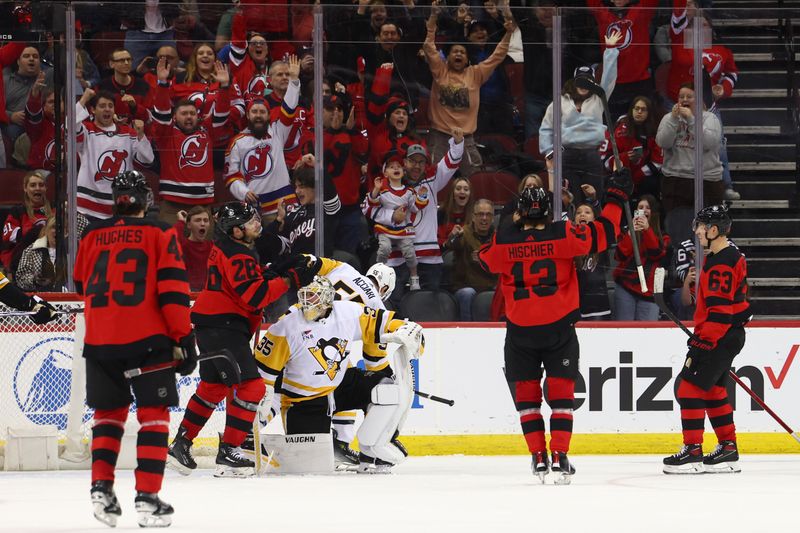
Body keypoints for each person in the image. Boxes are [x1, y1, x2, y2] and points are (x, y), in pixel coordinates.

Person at [477, 168, 631, 484]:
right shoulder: (564, 234)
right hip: (559, 328)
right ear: (549, 211)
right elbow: (605, 232)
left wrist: (512, 225)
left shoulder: (503, 241)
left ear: (520, 211)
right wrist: (615, 196)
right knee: (561, 397)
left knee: (527, 400)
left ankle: (537, 457)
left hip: (520, 331)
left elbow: (484, 259)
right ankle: (559, 455)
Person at [72, 170, 195, 528]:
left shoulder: (92, 233)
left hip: (100, 339)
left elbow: (81, 284)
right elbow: (172, 289)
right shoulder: (159, 232)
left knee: (107, 416)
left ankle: (101, 490)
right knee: (153, 416)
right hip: (149, 340)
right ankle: (147, 497)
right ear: (146, 200)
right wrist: (183, 337)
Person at [167, 201, 319, 478]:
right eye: (250, 221)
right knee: (251, 388)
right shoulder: (239, 254)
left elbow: (239, 284)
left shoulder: (229, 248)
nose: (257, 223)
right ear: (236, 231)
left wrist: (269, 274)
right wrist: (288, 280)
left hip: (210, 323)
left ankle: (181, 444)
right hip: (224, 326)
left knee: (212, 387)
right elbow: (255, 296)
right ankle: (230, 450)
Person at [253, 275, 424, 473]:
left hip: (340, 385)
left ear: (327, 299)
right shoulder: (285, 327)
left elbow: (382, 321)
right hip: (304, 400)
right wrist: (264, 392)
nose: (307, 302)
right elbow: (263, 371)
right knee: (311, 468)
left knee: (386, 388)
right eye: (305, 296)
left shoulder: (348, 312)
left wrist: (406, 328)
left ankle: (372, 453)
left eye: (313, 296)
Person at [663, 204, 750, 475]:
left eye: (701, 226)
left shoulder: (721, 262)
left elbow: (721, 311)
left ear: (713, 230)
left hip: (719, 335)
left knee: (689, 388)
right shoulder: (729, 255)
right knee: (713, 390)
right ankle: (728, 448)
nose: (697, 231)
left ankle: (693, 451)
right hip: (728, 335)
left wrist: (704, 342)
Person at [364, 133, 464, 304]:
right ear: (404, 164)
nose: (417, 166)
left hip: (429, 258)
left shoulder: (432, 181)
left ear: (426, 165)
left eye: (421, 162)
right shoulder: (386, 186)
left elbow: (451, 163)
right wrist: (391, 216)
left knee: (428, 308)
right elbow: (367, 208)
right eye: (412, 161)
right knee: (395, 307)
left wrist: (458, 142)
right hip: (397, 258)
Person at [423, 5, 514, 176]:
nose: (458, 54)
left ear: (467, 58)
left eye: (462, 52)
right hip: (440, 137)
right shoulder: (439, 71)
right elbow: (428, 46)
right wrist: (433, 18)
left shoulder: (476, 73)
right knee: (432, 178)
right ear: (448, 56)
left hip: (467, 138)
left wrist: (508, 33)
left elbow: (498, 56)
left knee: (474, 179)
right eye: (454, 52)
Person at [540, 30, 622, 205]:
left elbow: (609, 78)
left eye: (588, 81)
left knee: (593, 199)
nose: (584, 85)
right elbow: (546, 127)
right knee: (569, 200)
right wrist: (549, 151)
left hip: (591, 156)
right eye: (580, 81)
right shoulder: (560, 101)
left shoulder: (599, 99)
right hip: (567, 155)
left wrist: (611, 50)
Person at [150, 56, 232, 223]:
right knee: (171, 248)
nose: (189, 117)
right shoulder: (167, 133)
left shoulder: (207, 131)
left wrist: (224, 87)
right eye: (184, 114)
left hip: (203, 206)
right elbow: (161, 113)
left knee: (203, 248)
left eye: (192, 114)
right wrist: (163, 83)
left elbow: (221, 113)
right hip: (172, 205)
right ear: (174, 117)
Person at [224, 55, 301, 219]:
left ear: (268, 116)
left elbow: (289, 109)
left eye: (262, 112)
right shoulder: (237, 142)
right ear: (248, 115)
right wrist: (243, 192)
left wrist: (294, 81)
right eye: (254, 112)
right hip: (254, 211)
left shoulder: (277, 132)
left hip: (284, 205)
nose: (258, 116)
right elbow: (231, 175)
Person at [656, 82, 723, 243]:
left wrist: (691, 120)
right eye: (681, 97)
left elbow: (709, 142)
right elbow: (662, 142)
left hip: (706, 180)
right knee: (678, 230)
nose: (684, 99)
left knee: (708, 231)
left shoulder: (710, 118)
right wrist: (673, 119)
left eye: (689, 96)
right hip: (676, 179)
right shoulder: (668, 118)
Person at [75, 90, 154, 220]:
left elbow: (147, 160)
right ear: (93, 110)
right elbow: (70, 127)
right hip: (88, 207)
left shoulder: (128, 132)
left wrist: (140, 135)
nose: (107, 109)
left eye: (110, 106)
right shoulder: (87, 131)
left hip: (121, 205)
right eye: (102, 106)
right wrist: (83, 99)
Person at [365, 153, 429, 291]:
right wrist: (376, 189)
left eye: (399, 166)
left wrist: (422, 196)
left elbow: (415, 208)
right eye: (391, 166)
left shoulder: (409, 192)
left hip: (402, 229)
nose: (396, 168)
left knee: (410, 253)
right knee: (384, 249)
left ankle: (414, 277)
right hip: (385, 228)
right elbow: (372, 204)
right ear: (385, 173)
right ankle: (378, 275)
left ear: (403, 171)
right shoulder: (382, 191)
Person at [267, 156, 341, 257]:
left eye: (302, 186)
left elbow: (330, 192)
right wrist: (278, 220)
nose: (297, 191)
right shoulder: (292, 213)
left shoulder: (326, 209)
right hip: (297, 268)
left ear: (315, 187)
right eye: (296, 187)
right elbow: (272, 243)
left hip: (323, 267)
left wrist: (318, 167)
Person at [612, 194, 670, 321]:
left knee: (647, 335)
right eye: (640, 207)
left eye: (647, 207)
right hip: (626, 288)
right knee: (623, 332)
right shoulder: (627, 231)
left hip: (651, 293)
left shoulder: (664, 237)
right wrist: (631, 233)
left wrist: (647, 230)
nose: (643, 210)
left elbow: (656, 254)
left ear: (653, 212)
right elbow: (619, 255)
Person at [445, 199, 497, 321]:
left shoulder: (498, 237)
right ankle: (466, 328)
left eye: (488, 214)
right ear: (473, 217)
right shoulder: (464, 233)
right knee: (467, 293)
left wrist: (487, 260)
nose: (484, 218)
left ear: (493, 218)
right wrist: (453, 236)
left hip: (491, 284)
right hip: (467, 285)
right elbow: (451, 245)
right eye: (480, 214)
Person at [601, 96, 663, 198]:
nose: (639, 112)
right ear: (631, 109)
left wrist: (636, 177)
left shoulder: (654, 132)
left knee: (651, 184)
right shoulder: (620, 126)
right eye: (636, 108)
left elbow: (657, 163)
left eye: (643, 109)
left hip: (642, 181)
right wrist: (625, 158)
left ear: (649, 112)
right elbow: (606, 160)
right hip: (617, 175)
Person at [1, 169, 51, 270]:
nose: (37, 188)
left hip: (50, 257)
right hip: (21, 260)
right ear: (25, 188)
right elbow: (8, 235)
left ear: (46, 188)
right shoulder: (18, 211)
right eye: (33, 185)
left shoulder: (55, 210)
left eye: (41, 185)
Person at [573, 202, 612, 320]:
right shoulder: (570, 242)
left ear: (595, 218)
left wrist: (595, 201)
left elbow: (605, 223)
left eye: (587, 212)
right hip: (575, 306)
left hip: (598, 308)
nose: (582, 215)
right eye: (578, 213)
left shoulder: (600, 241)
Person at [174, 207, 212, 292]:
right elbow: (173, 240)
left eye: (206, 220)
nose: (202, 224)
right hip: (187, 293)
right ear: (189, 225)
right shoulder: (183, 245)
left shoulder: (212, 246)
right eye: (198, 220)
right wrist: (181, 222)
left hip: (207, 294)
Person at [437, 176, 473, 248]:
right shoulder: (441, 213)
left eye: (466, 189)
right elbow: (437, 242)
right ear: (452, 193)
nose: (462, 192)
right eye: (458, 189)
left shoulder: (474, 214)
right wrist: (450, 239)